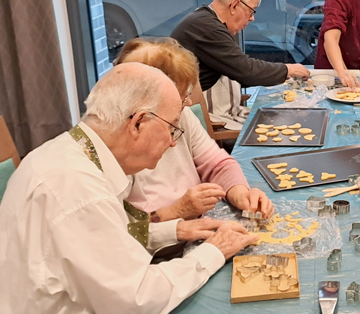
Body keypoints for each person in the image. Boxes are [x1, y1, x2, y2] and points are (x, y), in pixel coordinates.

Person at [0, 63, 258, 314]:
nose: (175, 142)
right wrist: (212, 252)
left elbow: (91, 245)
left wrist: (174, 230)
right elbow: (137, 303)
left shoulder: (72, 152)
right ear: (138, 123)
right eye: (173, 127)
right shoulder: (76, 189)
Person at [114, 38, 274, 224]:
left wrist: (240, 193)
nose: (188, 102)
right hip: (160, 249)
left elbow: (217, 164)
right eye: (182, 94)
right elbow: (122, 232)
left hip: (198, 226)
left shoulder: (182, 115)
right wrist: (178, 210)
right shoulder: (112, 146)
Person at [171, 0, 309, 92]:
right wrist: (287, 69)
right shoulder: (208, 28)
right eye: (251, 11)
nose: (252, 18)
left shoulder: (203, 19)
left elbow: (240, 72)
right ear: (234, 6)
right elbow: (246, 71)